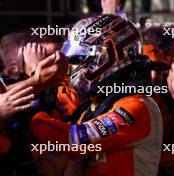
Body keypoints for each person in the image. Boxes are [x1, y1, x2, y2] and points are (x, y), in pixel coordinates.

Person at [27, 14, 163, 176]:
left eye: (81, 59)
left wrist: (32, 115)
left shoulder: (139, 107)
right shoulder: (94, 107)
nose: (73, 68)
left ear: (107, 57)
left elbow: (74, 139)